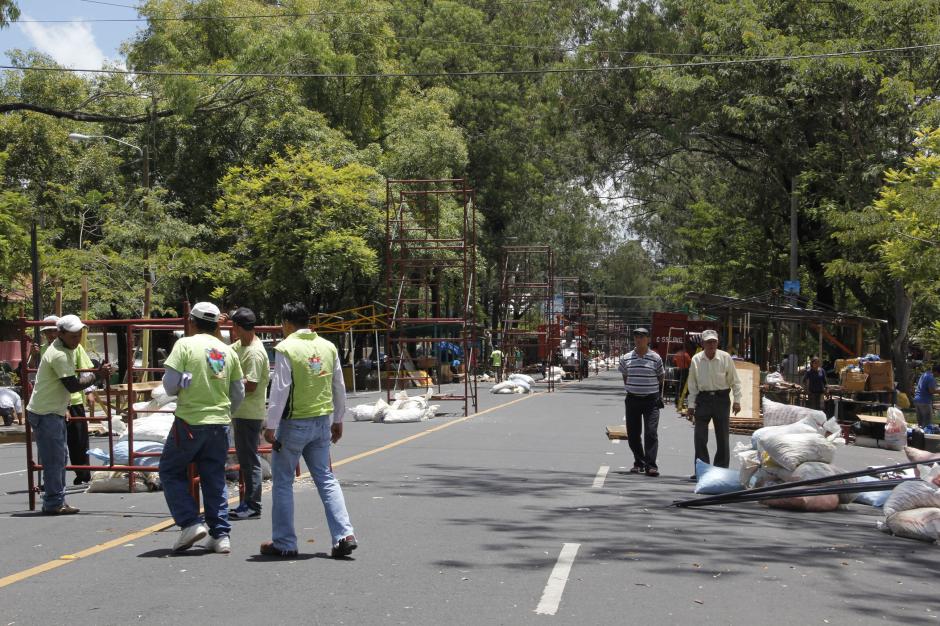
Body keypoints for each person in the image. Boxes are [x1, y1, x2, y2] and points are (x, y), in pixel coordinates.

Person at [260, 302, 357, 559]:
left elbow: (279, 389)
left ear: (287, 324)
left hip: (294, 424)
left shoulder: (286, 348)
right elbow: (338, 384)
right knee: (326, 479)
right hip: (321, 422)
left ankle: (285, 542)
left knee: (283, 482)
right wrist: (339, 418)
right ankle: (344, 534)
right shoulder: (328, 346)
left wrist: (271, 426)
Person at [159, 302, 244, 554]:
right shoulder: (228, 351)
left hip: (189, 422)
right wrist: (226, 412)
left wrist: (183, 384)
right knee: (214, 477)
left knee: (170, 471)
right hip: (219, 422)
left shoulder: (184, 345)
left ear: (191, 321)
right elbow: (238, 391)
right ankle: (221, 534)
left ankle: (189, 522)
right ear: (217, 323)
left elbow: (170, 386)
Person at [25, 315, 112, 514]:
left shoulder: (67, 349)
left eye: (78, 335)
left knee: (59, 457)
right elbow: (72, 385)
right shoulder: (58, 354)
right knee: (55, 459)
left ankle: (56, 500)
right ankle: (54, 502)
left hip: (52, 410)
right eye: (73, 336)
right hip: (46, 412)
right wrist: (97, 375)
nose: (77, 339)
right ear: (61, 334)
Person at [229, 307, 268, 520]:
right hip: (241, 411)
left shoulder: (254, 352)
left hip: (249, 413)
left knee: (249, 459)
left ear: (237, 327)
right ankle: (249, 502)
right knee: (245, 458)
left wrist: (229, 384)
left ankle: (253, 504)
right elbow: (223, 353)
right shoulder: (240, 346)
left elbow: (251, 384)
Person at [686, 329, 741, 477]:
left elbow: (735, 381)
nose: (711, 345)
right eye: (708, 342)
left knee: (722, 436)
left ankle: (720, 470)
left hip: (721, 399)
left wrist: (737, 400)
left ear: (717, 343)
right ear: (703, 343)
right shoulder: (696, 359)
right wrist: (690, 406)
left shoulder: (725, 358)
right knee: (699, 437)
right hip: (703, 400)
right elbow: (692, 385)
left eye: (714, 342)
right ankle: (702, 470)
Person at [618, 328, 665, 477]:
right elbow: (625, 377)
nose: (639, 340)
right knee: (633, 434)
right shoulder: (626, 358)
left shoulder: (656, 358)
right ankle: (639, 462)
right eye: (636, 337)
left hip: (651, 401)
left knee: (651, 432)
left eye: (642, 337)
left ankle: (651, 465)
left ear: (648, 339)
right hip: (632, 399)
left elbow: (660, 377)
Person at [913, 364, 940, 428]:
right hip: (925, 402)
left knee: (920, 423)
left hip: (917, 400)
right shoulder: (931, 378)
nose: (939, 375)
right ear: (936, 372)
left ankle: (918, 436)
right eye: (939, 374)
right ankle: (926, 437)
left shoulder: (924, 375)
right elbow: (931, 391)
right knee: (927, 423)